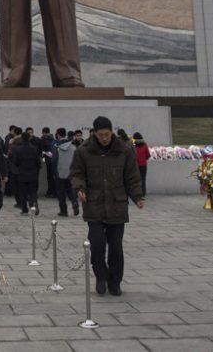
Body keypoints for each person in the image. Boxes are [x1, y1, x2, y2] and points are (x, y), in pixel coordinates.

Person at [69, 116, 144, 297]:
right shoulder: (83, 151)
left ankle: (115, 282)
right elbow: (77, 173)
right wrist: (79, 188)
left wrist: (137, 197)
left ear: (112, 131)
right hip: (94, 205)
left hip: (117, 204)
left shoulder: (124, 150)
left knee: (116, 247)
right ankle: (101, 277)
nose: (104, 138)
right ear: (94, 133)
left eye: (107, 134)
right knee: (97, 244)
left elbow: (132, 176)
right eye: (101, 135)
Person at [11, 132, 42, 215]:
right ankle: (34, 203)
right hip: (33, 173)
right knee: (33, 192)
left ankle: (24, 209)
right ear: (29, 138)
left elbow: (16, 162)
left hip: (22, 173)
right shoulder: (34, 149)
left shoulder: (18, 149)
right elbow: (38, 162)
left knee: (23, 192)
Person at [54, 128, 80, 217]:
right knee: (70, 190)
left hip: (60, 172)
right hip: (71, 172)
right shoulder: (73, 147)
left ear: (58, 135)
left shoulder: (56, 146)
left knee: (61, 192)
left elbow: (54, 160)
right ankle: (74, 201)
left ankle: (63, 211)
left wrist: (54, 172)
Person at [133, 131, 151, 197]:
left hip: (135, 166)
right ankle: (143, 194)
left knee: (136, 180)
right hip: (143, 165)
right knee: (143, 179)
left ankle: (136, 193)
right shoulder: (144, 145)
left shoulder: (134, 146)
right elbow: (148, 155)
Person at [41, 127, 57, 197]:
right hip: (54, 160)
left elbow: (44, 151)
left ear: (44, 132)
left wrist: (44, 155)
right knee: (54, 177)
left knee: (49, 177)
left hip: (49, 160)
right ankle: (54, 192)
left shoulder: (44, 140)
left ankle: (50, 192)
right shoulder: (53, 139)